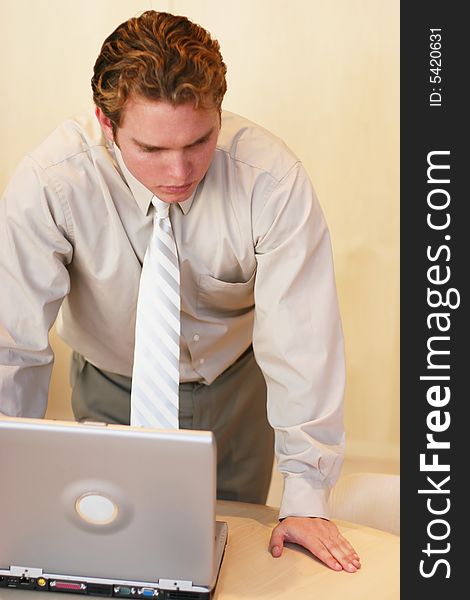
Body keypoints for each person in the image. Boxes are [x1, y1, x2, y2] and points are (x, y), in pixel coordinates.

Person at [0, 10, 360, 573]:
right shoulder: (52, 181)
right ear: (106, 121)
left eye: (200, 140)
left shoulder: (270, 180)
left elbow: (303, 341)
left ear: (219, 111)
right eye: (150, 149)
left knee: (229, 561)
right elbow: (12, 345)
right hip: (110, 386)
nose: (179, 171)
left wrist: (307, 497)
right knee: (109, 559)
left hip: (236, 392)